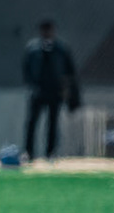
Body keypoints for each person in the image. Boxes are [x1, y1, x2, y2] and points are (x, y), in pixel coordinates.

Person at [21, 20, 79, 161]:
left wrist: (68, 91)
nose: (47, 33)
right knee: (32, 122)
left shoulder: (61, 48)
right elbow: (26, 68)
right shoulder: (33, 48)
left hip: (55, 91)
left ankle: (51, 152)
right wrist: (31, 85)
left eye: (49, 29)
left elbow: (69, 71)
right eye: (44, 30)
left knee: (52, 123)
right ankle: (29, 152)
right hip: (38, 90)